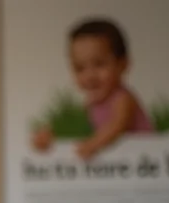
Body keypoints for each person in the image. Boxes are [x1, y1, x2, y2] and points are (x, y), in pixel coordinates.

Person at [65, 17, 153, 160]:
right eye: (80, 68)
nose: (90, 76)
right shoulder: (91, 104)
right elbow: (73, 128)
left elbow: (117, 125)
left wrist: (93, 144)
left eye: (99, 64)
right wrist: (50, 137)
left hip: (147, 159)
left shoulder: (123, 99)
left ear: (123, 64)